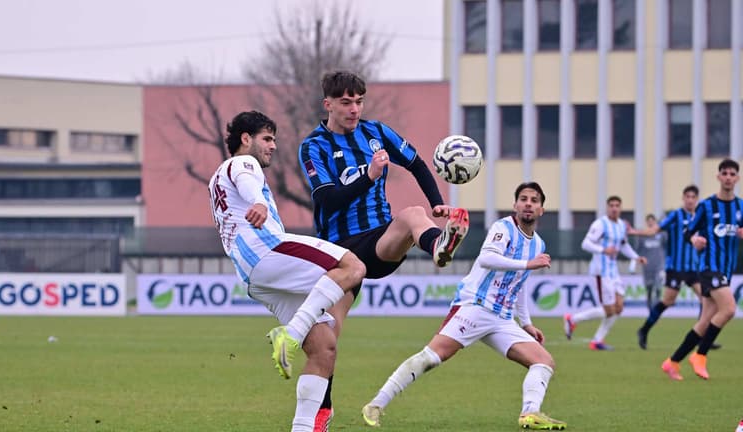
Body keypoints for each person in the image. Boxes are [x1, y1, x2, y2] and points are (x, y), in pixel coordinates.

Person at [298, 71, 469, 430]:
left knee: (412, 215)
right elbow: (327, 200)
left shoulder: (376, 132)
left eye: (359, 101)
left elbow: (418, 163)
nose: (354, 108)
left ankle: (438, 244)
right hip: (338, 252)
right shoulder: (314, 146)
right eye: (346, 102)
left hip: (377, 241)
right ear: (328, 104)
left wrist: (438, 203)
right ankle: (321, 412)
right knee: (325, 338)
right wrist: (369, 177)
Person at [359, 182, 566, 430]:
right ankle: (376, 404)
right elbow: (487, 258)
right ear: (515, 205)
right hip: (475, 306)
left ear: (542, 209)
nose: (528, 204)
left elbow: (518, 285)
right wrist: (527, 264)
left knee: (543, 361)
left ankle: (530, 413)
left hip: (501, 318)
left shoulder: (538, 245)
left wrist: (527, 323)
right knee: (432, 358)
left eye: (534, 200)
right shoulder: (503, 228)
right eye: (523, 199)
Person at [208, 111, 366, 431]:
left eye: (274, 140)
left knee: (323, 347)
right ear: (245, 139)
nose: (273, 146)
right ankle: (290, 334)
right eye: (267, 138)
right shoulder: (242, 163)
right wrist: (260, 203)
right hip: (267, 251)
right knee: (353, 266)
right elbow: (247, 180)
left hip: (252, 275)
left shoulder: (215, 179)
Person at [661, 159, 743, 381]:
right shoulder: (707, 206)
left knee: (706, 319)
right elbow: (688, 231)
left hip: (725, 269)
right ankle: (700, 355)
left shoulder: (740, 206)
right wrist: (695, 239)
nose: (728, 177)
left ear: (737, 178)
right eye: (724, 173)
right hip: (708, 267)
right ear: (718, 177)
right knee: (729, 309)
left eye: (732, 174)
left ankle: (672, 362)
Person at [564, 196, 646, 350]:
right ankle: (573, 319)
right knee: (609, 310)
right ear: (607, 208)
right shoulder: (600, 224)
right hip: (600, 272)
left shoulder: (622, 225)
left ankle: (597, 341)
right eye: (611, 205)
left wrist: (636, 257)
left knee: (619, 308)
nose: (614, 208)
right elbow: (586, 244)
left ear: (620, 208)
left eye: (617, 206)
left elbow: (623, 245)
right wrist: (603, 250)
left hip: (613, 271)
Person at [628, 185, 704, 350]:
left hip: (692, 268)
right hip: (675, 268)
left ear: (697, 199)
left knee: (705, 299)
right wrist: (634, 232)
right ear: (683, 198)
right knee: (668, 301)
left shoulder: (699, 216)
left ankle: (701, 335)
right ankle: (644, 330)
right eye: (687, 197)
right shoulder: (675, 215)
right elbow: (654, 230)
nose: (690, 200)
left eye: (693, 197)